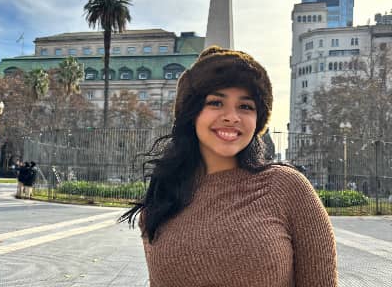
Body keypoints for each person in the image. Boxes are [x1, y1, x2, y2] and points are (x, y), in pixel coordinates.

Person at [120, 46, 338, 287]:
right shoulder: (162, 199)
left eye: (245, 106)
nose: (232, 117)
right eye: (216, 102)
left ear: (258, 120)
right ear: (191, 112)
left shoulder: (287, 187)